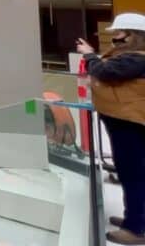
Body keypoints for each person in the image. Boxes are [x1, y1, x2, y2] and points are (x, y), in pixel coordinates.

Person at [77, 13, 145, 245]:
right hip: (123, 124)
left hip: (129, 126)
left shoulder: (136, 59)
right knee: (131, 173)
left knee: (133, 175)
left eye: (118, 33)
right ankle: (135, 219)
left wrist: (89, 55)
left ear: (133, 35)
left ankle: (136, 228)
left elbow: (105, 72)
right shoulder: (129, 57)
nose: (115, 37)